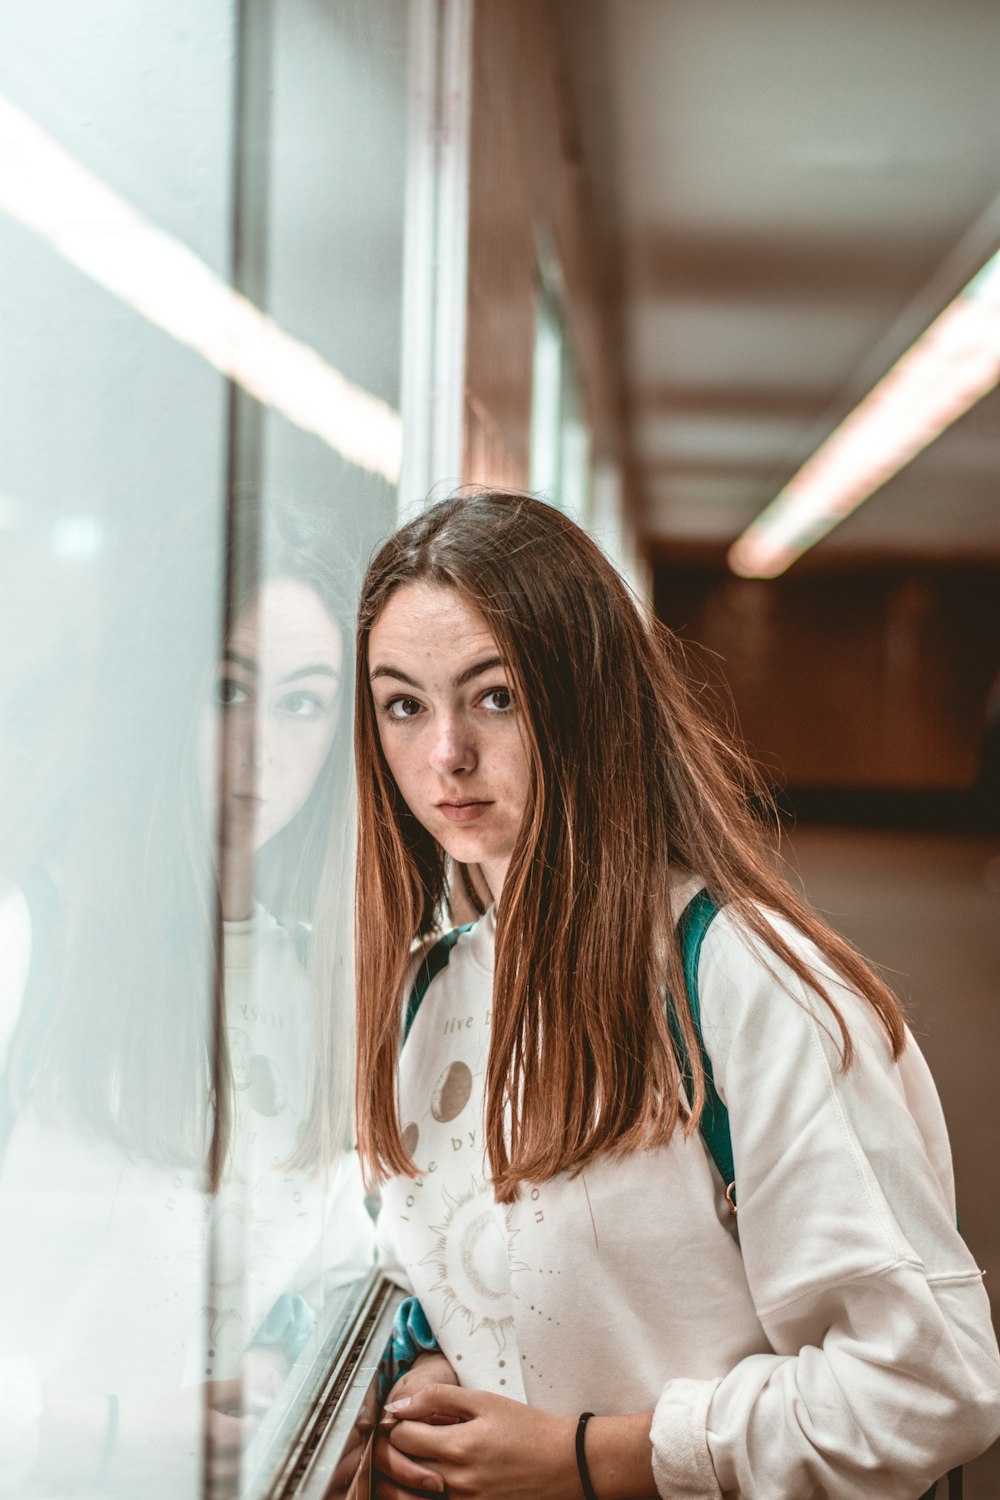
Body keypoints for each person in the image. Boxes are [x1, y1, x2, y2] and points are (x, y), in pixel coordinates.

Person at [353, 490, 1000, 1500]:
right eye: (404, 704)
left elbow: (927, 1386)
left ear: (586, 701)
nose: (445, 756)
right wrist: (451, 1367)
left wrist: (587, 1457)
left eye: (496, 696)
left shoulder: (742, 978)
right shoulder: (427, 996)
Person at [0, 496, 373, 1496]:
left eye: (301, 704)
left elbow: (323, 1274)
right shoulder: (24, 940)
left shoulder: (309, 991)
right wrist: (105, 1433)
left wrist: (278, 1358)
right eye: (225, 691)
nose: (260, 752)